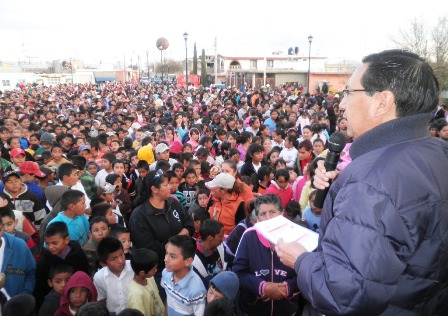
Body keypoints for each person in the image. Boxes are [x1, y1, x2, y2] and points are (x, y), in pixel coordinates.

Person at [275, 50, 448, 315]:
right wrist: (340, 191)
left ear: (382, 102)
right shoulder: (438, 151)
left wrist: (299, 260)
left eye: (348, 93)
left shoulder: (370, 180)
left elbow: (344, 294)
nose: (341, 105)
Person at [232, 194, 299, 315]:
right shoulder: (248, 236)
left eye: (272, 212)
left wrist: (288, 287)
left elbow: (305, 272)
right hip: (254, 309)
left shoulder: (295, 235)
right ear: (257, 218)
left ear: (282, 213)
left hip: (286, 309)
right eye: (263, 214)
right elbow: (239, 273)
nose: (268, 218)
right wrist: (262, 287)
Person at [34, 221, 89, 311]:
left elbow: (85, 277)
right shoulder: (44, 261)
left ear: (66, 240)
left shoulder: (78, 254)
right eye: (47, 243)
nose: (50, 247)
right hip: (54, 304)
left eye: (55, 243)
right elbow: (40, 289)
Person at [161, 235, 207, 316]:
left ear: (188, 261)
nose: (166, 259)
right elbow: (169, 298)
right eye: (166, 253)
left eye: (172, 256)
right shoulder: (166, 273)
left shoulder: (197, 290)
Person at [93, 237, 135, 314]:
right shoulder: (99, 277)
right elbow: (102, 300)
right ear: (103, 264)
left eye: (121, 255)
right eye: (114, 259)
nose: (120, 261)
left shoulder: (134, 267)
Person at [127, 248, 165, 316]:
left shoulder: (150, 278)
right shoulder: (136, 294)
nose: (156, 270)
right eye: (154, 269)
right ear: (142, 273)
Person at [191, 219, 226, 288]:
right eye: (220, 236)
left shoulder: (220, 247)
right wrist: (218, 277)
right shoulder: (194, 260)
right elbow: (198, 284)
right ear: (210, 238)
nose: (223, 238)